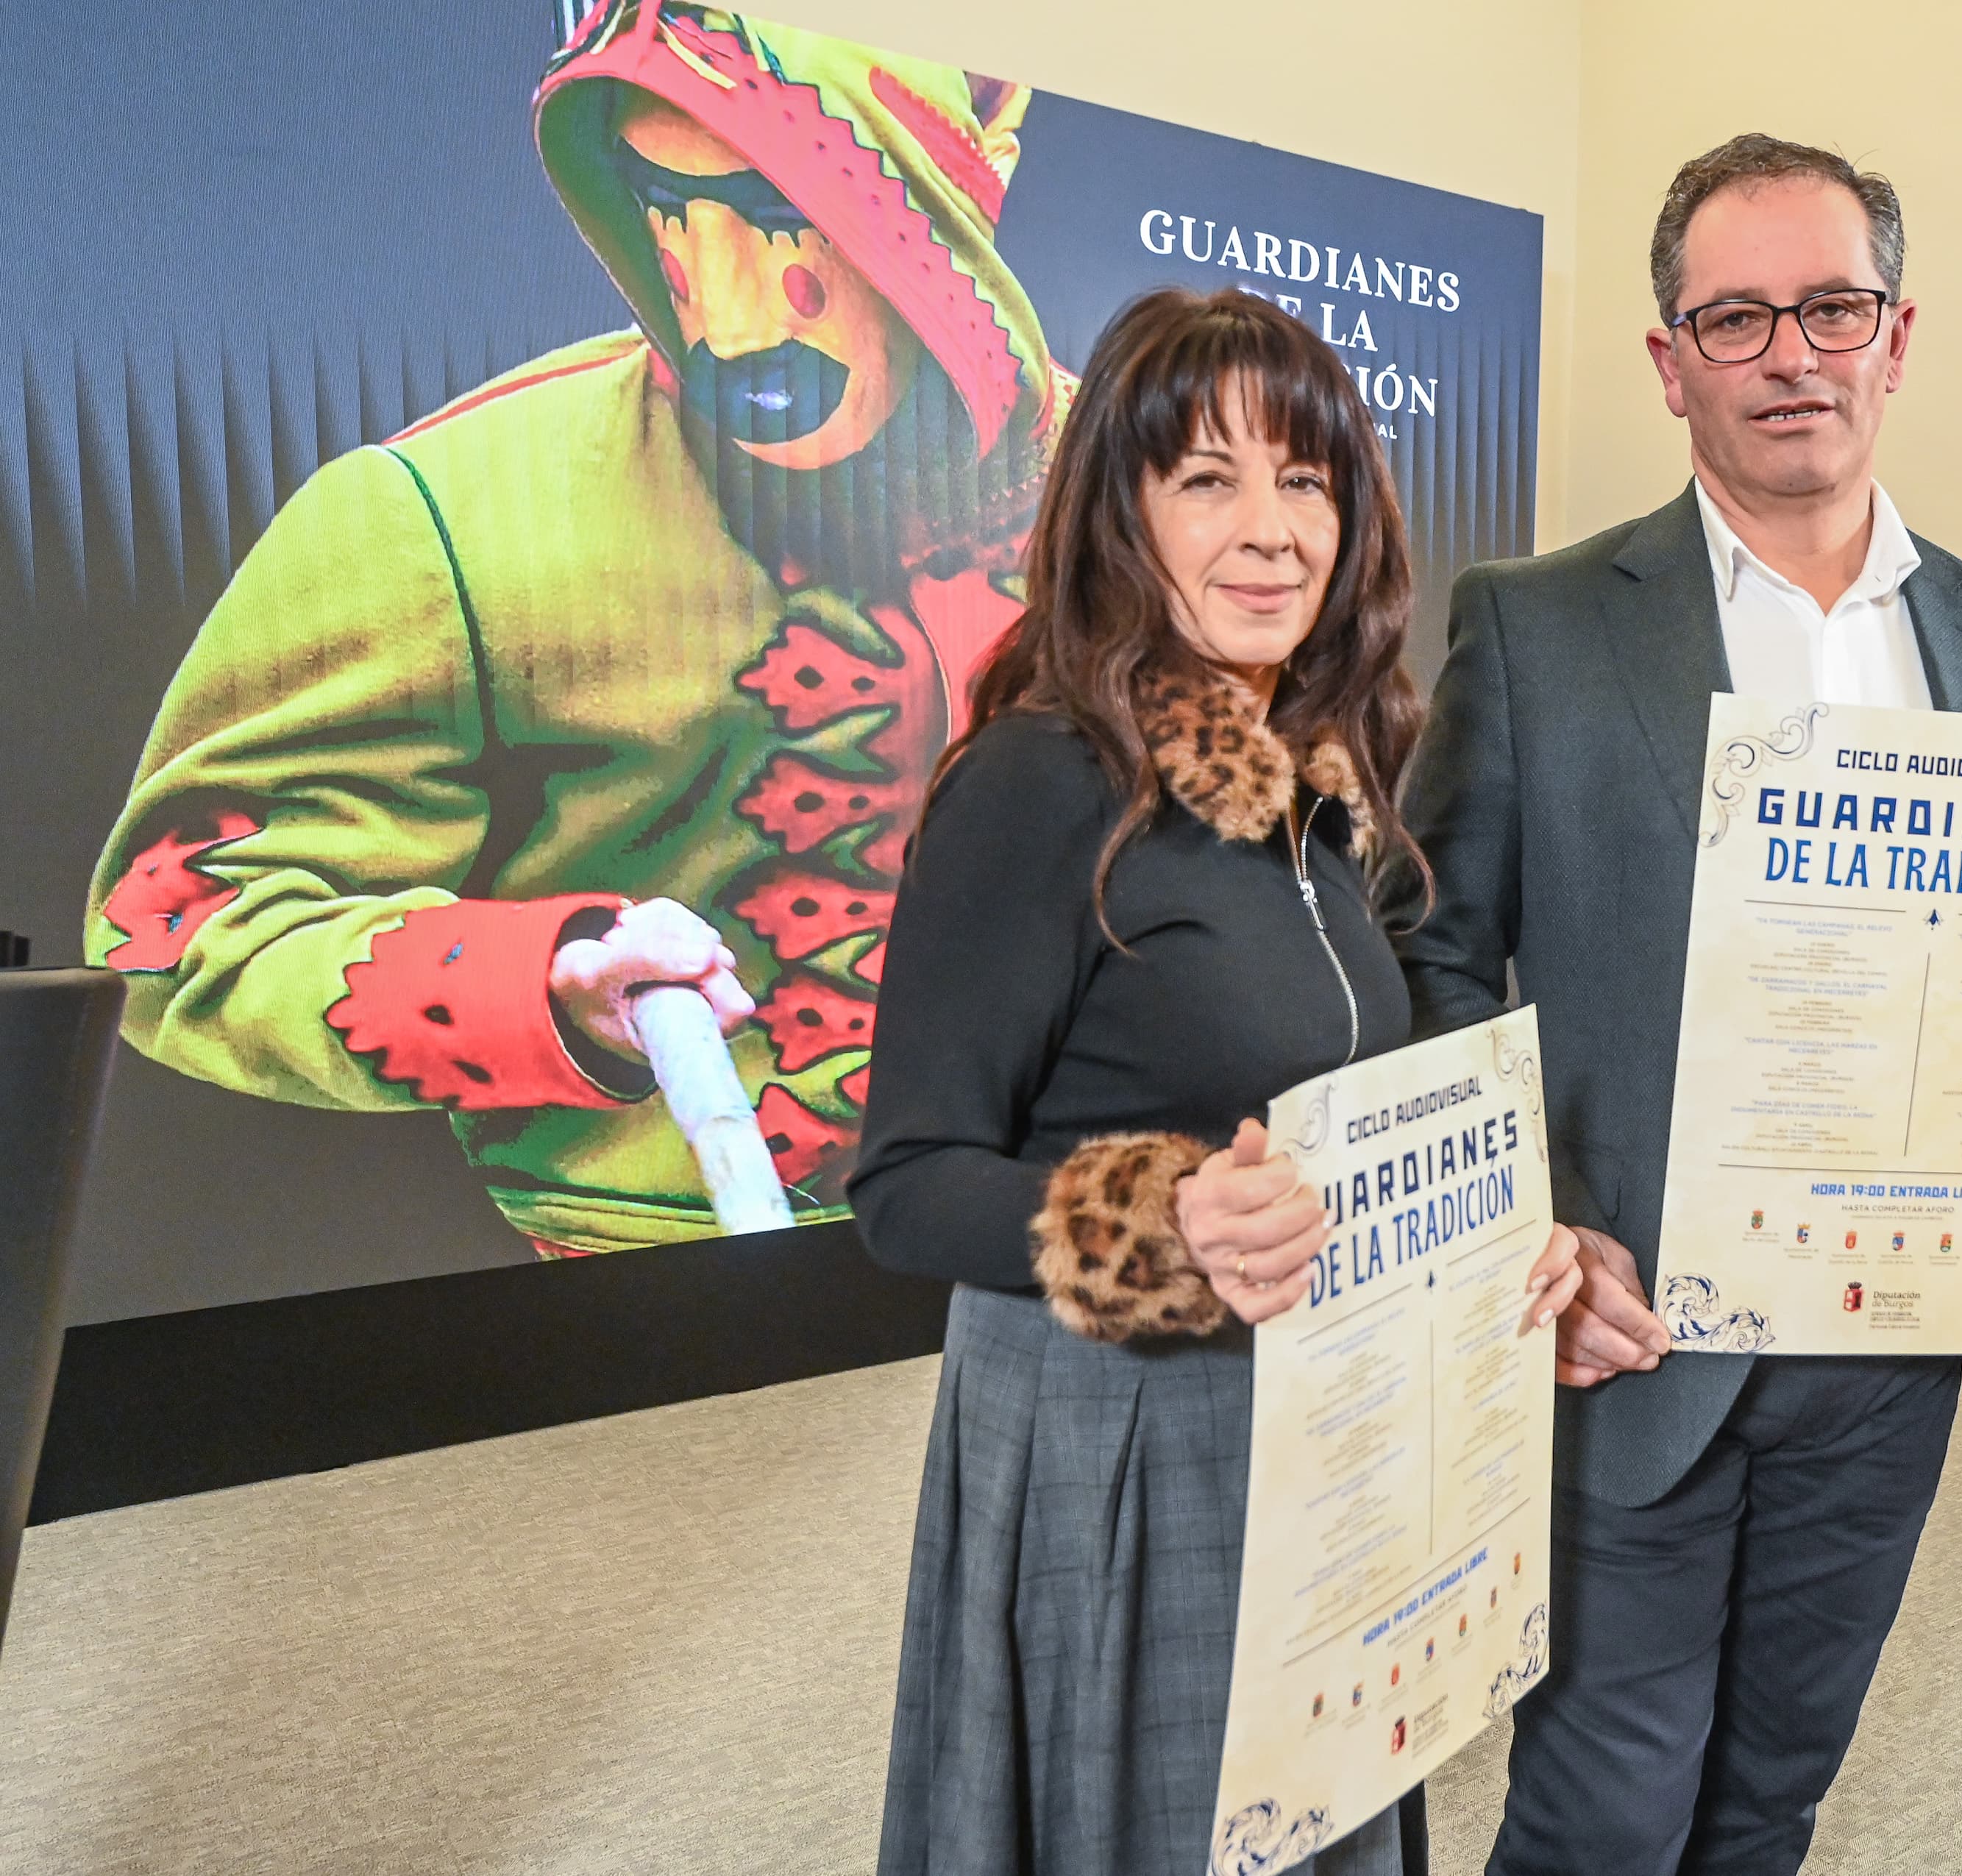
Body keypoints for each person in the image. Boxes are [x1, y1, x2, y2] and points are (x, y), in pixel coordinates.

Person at [1385, 135, 1962, 1875]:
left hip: (1895, 1342)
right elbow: (1432, 957)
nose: (1792, 353)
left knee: (1772, 1798)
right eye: (1736, 317)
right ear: (1672, 364)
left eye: (1834, 307)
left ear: (1897, 335)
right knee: (1601, 1815)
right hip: (1636, 1337)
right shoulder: (1538, 626)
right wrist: (1527, 1234)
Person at [83, 8, 1068, 1253]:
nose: (728, 323)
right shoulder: (447, 511)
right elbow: (172, 921)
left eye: (779, 213)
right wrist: (547, 983)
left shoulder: (1126, 486)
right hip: (635, 1299)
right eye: (667, 208)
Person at [850, 286, 1585, 1876]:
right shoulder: (1042, 778)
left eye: (1304, 481)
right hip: (1124, 1439)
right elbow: (904, 1184)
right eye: (1207, 479)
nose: (1271, 530)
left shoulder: (1314, 802)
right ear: (1120, 515)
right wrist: (1163, 1220)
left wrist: (1488, 1249)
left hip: (1319, 1406)